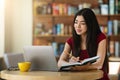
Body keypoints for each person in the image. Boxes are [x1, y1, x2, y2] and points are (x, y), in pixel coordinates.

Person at [58, 8, 109, 80]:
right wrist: (70, 63)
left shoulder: (101, 38)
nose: (78, 26)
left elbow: (99, 64)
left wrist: (81, 68)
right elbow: (60, 63)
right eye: (76, 22)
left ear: (90, 24)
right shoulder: (71, 41)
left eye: (82, 23)